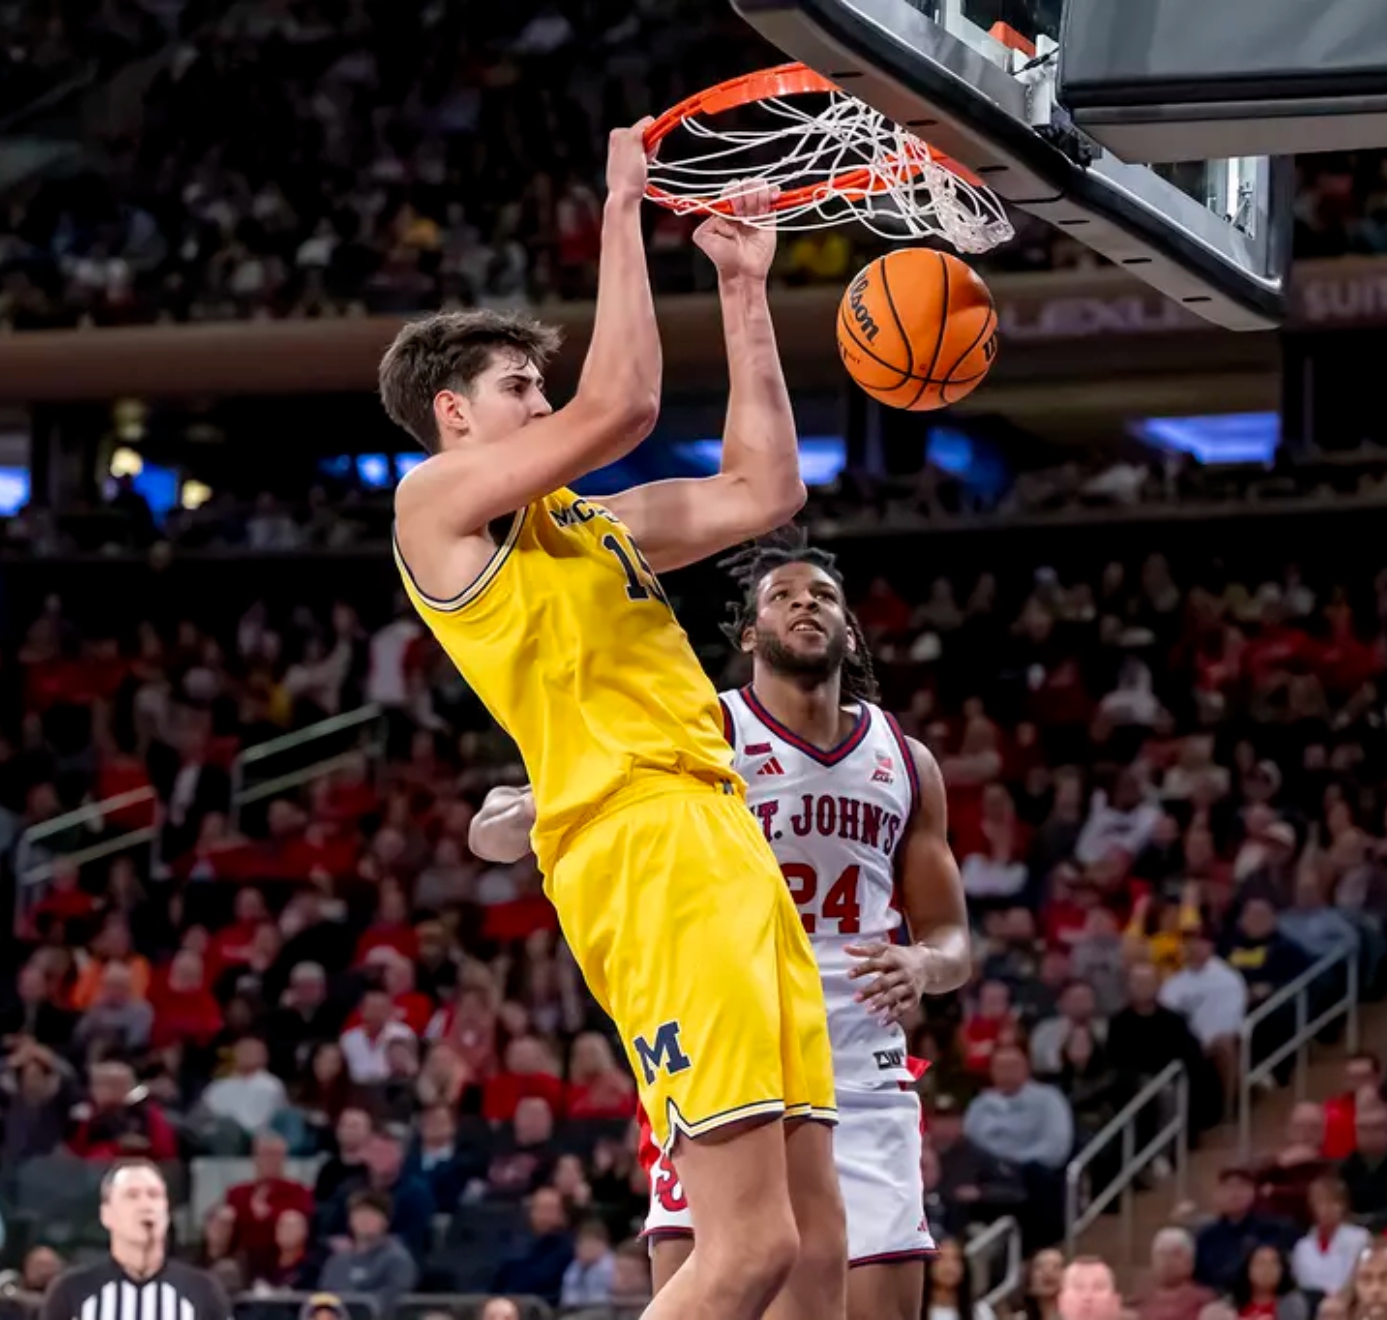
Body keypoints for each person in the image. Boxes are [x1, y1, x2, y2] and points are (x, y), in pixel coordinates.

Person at [384, 115, 835, 1320]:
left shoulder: (596, 526)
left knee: (802, 1246)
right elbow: (626, 402)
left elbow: (765, 491)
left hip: (723, 832)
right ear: (454, 416)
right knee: (739, 1253)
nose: (543, 403)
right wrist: (624, 205)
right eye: (519, 386)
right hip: (641, 845)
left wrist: (743, 287)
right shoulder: (434, 512)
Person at [472, 536, 971, 1315]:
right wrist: (536, 807)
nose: (806, 603)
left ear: (850, 633)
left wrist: (924, 968)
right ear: (748, 635)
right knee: (721, 1286)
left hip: (858, 1055)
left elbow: (953, 939)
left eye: (824, 597)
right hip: (724, 1032)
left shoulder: (906, 762)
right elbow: (508, 822)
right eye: (782, 595)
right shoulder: (696, 729)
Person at [37, 1161, 231, 1320]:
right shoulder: (71, 1290)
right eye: (132, 1196)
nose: (146, 1205)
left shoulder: (203, 1289)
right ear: (106, 1214)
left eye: (154, 1195)